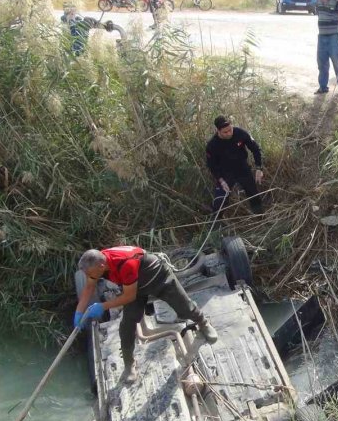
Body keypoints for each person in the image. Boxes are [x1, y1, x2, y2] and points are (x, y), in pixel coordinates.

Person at [75, 246, 219, 384]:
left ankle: (204, 324)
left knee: (185, 307)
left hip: (158, 278)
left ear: (101, 266)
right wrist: (79, 313)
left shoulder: (125, 264)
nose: (89, 277)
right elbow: (89, 287)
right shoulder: (98, 264)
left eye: (90, 274)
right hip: (135, 287)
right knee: (127, 326)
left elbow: (128, 297)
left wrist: (103, 306)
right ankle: (129, 364)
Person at [206, 116, 264, 214]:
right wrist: (221, 181)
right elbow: (212, 165)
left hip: (242, 168)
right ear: (218, 131)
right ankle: (217, 224)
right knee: (219, 201)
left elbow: (255, 149)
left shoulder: (240, 133)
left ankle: (260, 217)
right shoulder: (212, 145)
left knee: (253, 194)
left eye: (230, 130)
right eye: (225, 132)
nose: (229, 133)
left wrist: (259, 168)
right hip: (225, 174)